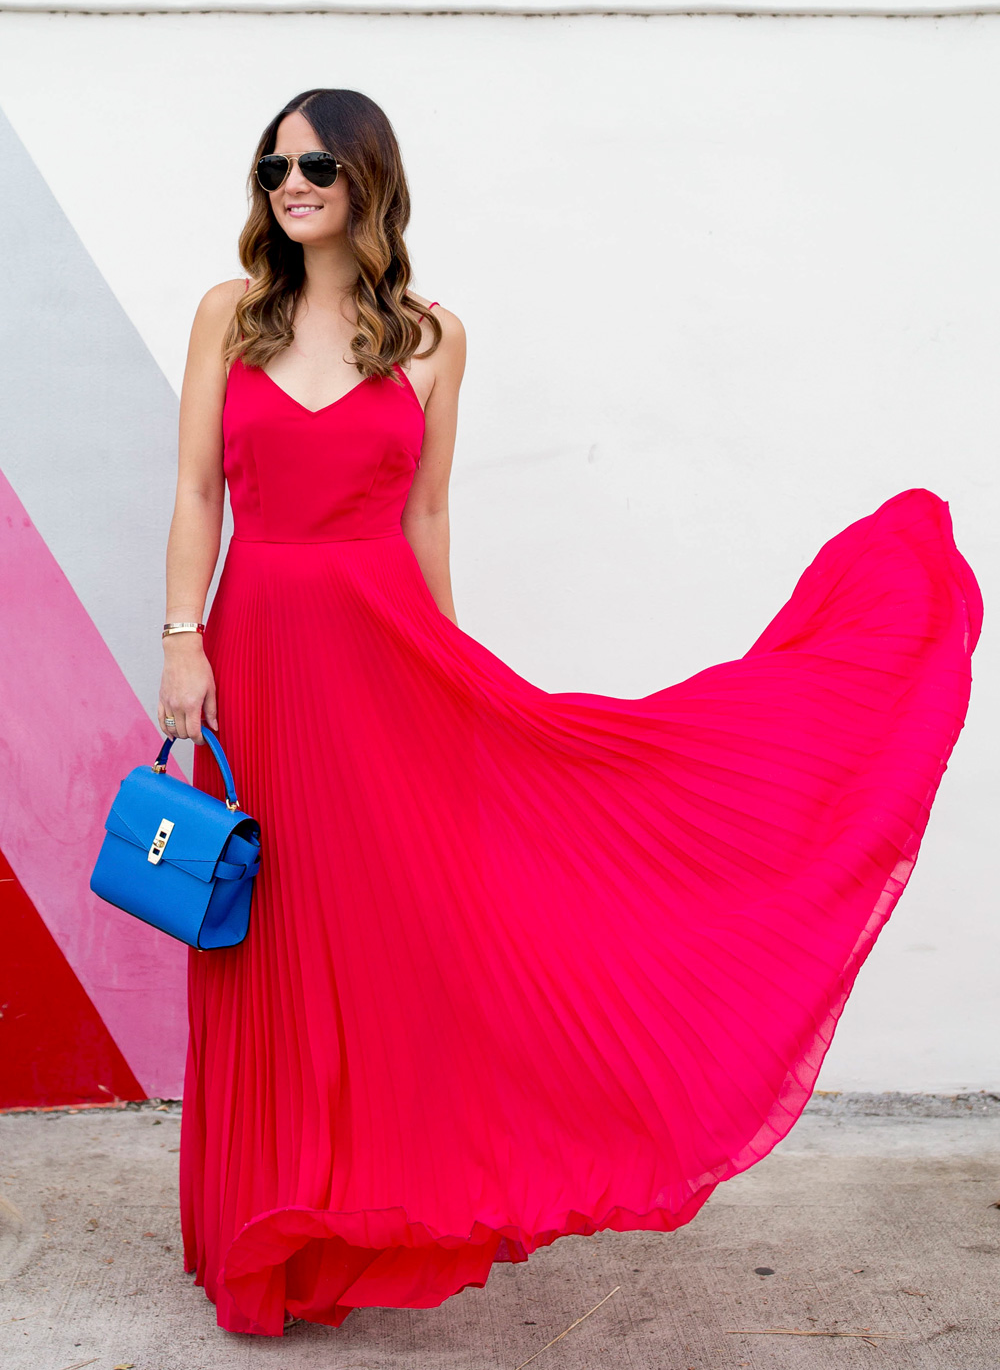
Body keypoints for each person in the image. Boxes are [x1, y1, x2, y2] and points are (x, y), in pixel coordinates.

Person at [161, 87, 982, 1337]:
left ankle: (353, 1213)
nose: (289, 182)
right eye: (272, 165)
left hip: (387, 656)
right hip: (258, 647)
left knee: (393, 930)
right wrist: (180, 640)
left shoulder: (431, 339)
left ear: (366, 178)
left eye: (315, 162)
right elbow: (195, 497)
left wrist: (451, 673)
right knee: (264, 923)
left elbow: (426, 514)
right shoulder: (229, 315)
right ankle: (257, 1228)